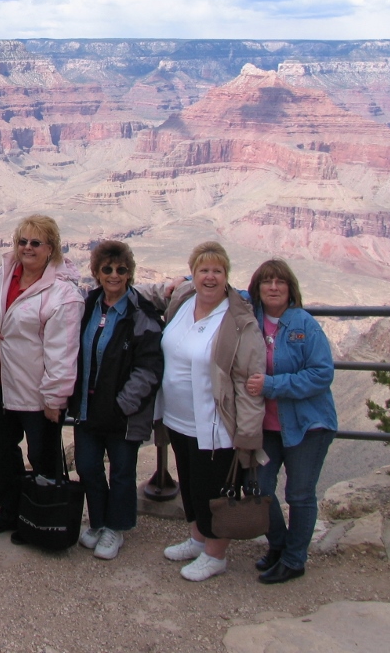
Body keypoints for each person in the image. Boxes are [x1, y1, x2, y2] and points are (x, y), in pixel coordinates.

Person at [156, 241, 265, 582]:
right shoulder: (183, 302)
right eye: (203, 270)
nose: (210, 277)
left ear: (227, 276)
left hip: (214, 421)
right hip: (178, 416)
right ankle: (197, 538)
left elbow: (248, 375)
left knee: (213, 488)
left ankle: (215, 554)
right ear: (193, 274)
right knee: (189, 481)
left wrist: (248, 431)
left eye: (217, 271)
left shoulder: (237, 319)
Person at [0, 214, 84, 540]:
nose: (27, 248)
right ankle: (9, 511)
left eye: (35, 243)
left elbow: (63, 352)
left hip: (40, 392)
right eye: (22, 241)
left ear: (50, 248)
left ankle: (43, 518)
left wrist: (55, 398)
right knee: (1, 448)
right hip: (4, 382)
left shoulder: (62, 295)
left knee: (43, 457)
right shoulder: (4, 274)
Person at [69, 240, 164, 561]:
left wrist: (123, 405)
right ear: (96, 272)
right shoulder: (88, 306)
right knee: (88, 467)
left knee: (122, 470)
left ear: (129, 273)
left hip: (124, 411)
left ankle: (116, 528)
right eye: (107, 269)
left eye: (121, 270)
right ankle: (97, 522)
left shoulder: (140, 315)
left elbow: (149, 367)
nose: (114, 275)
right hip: (86, 406)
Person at [245, 259, 337, 584]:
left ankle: (295, 559)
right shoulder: (249, 319)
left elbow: (322, 373)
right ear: (257, 287)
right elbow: (215, 287)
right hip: (266, 428)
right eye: (267, 281)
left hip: (307, 426)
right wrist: (185, 277)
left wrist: (273, 385)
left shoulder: (303, 324)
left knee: (299, 494)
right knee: (257, 487)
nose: (273, 287)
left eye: (280, 282)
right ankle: (279, 546)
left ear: (290, 288)